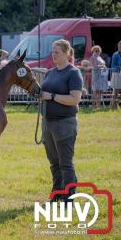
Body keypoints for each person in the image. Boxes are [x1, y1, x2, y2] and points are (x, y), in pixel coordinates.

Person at [40, 39, 83, 202]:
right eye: (52, 52)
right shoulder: (49, 73)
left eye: (57, 52)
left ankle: (70, 196)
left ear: (67, 53)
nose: (53, 55)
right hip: (48, 123)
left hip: (65, 124)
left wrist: (51, 96)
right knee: (54, 162)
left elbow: (74, 99)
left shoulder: (73, 73)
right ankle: (57, 192)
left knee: (65, 162)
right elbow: (43, 93)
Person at [110, 40, 121, 109]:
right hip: (117, 74)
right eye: (119, 46)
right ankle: (114, 105)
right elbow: (113, 65)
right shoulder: (115, 54)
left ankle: (117, 103)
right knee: (116, 91)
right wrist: (120, 67)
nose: (120, 47)